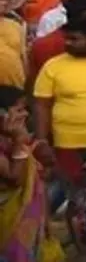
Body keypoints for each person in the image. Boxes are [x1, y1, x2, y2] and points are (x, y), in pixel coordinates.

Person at [33, 14, 86, 188]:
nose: (67, 43)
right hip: (68, 145)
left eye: (74, 39)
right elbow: (41, 105)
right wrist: (41, 141)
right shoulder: (53, 66)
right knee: (72, 193)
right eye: (67, 38)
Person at [0, 85, 60, 260]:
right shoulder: (13, 141)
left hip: (28, 228)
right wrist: (19, 140)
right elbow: (14, 178)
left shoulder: (12, 140)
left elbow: (39, 182)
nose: (25, 115)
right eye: (19, 110)